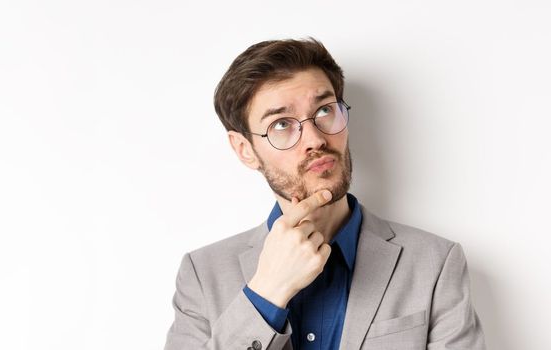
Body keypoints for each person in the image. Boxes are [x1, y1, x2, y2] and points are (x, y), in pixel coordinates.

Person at [163, 38, 485, 350]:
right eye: (281, 124)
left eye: (325, 110)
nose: (315, 139)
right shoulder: (202, 274)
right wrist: (266, 292)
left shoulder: (435, 263)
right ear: (245, 150)